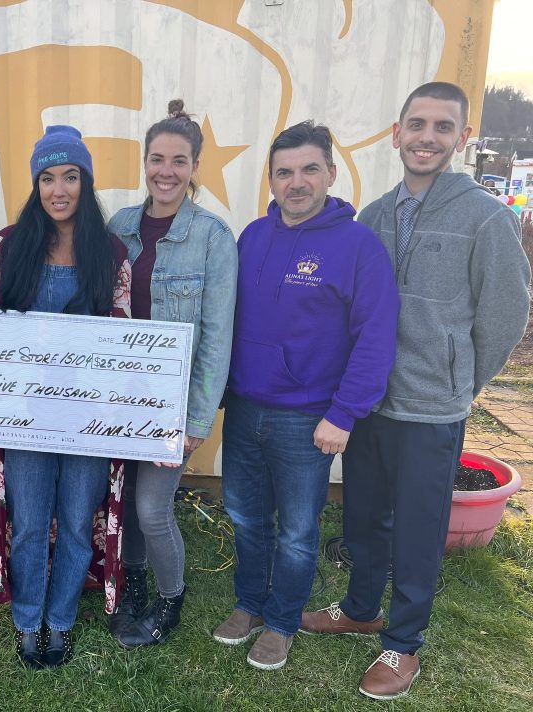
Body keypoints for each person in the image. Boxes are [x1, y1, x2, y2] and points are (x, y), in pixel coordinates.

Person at [300, 82, 531, 700]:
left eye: (443, 126)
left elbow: (506, 314)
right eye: (418, 125)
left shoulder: (486, 216)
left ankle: (402, 643)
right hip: (370, 400)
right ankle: (360, 608)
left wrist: (462, 381)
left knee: (418, 529)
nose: (428, 137)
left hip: (432, 409)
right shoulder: (374, 215)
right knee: (363, 513)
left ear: (462, 137)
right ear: (397, 133)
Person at [213, 121, 400, 671]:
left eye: (309, 169)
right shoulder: (252, 236)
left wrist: (344, 413)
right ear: (271, 180)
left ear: (331, 174)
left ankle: (282, 622)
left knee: (297, 531)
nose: (296, 182)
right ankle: (250, 604)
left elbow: (376, 335)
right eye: (284, 172)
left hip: (309, 418)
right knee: (246, 517)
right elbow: (228, 320)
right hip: (244, 407)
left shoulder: (358, 247)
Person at [0, 125, 132, 668]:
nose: (59, 189)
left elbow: (123, 340)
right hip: (25, 416)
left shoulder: (110, 252)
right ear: (36, 185)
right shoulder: (9, 245)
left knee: (74, 522)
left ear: (85, 182)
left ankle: (61, 620)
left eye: (70, 176)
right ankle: (28, 620)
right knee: (28, 523)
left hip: (88, 420)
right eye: (47, 178)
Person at [106, 99, 238, 649]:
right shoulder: (120, 226)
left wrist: (197, 419)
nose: (166, 171)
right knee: (128, 496)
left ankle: (170, 597)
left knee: (151, 507)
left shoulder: (213, 237)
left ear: (195, 167)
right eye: (157, 159)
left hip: (173, 403)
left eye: (179, 161)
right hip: (120, 398)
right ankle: (133, 582)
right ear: (145, 163)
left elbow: (217, 337)